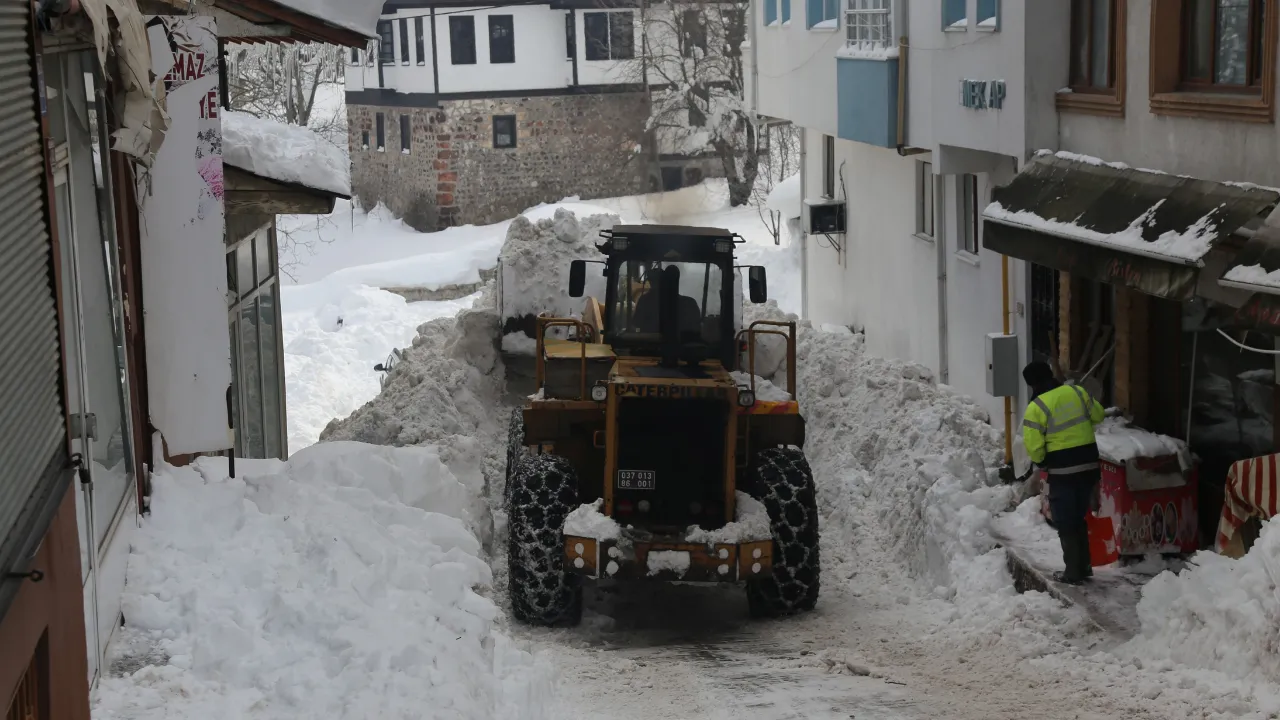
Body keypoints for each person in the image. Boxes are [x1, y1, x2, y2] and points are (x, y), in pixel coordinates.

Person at [1021, 361, 1106, 585]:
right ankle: (1084, 566)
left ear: (1032, 384)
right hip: (1089, 466)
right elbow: (1098, 415)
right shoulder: (1077, 391)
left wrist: (1043, 462)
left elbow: (1034, 446)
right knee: (1079, 515)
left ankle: (1073, 571)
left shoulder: (1036, 406)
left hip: (1062, 470)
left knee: (1066, 520)